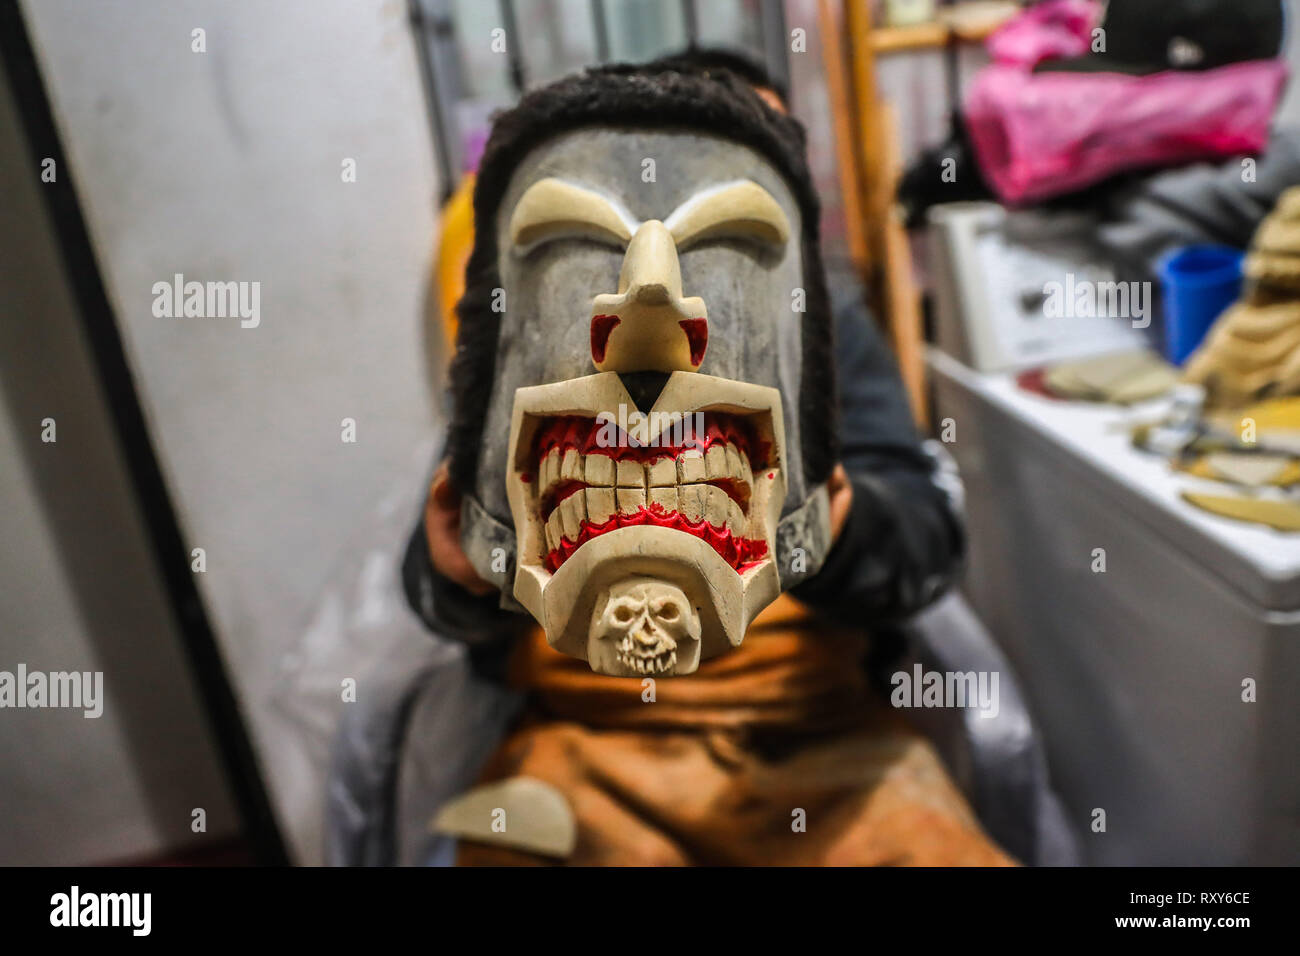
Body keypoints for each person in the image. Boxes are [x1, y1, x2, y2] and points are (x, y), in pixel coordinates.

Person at [401, 53, 1001, 865]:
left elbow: (928, 544)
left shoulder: (823, 329)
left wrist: (839, 523)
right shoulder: (548, 321)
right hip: (586, 746)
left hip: (820, 744)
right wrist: (462, 568)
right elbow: (440, 564)